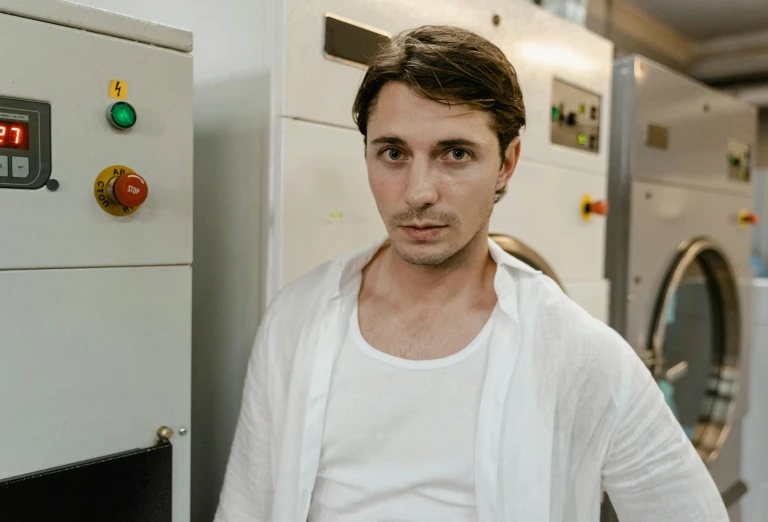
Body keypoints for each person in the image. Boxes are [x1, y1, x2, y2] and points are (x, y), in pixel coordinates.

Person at [214, 25, 728, 522]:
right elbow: (246, 505)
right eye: (393, 153)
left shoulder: (579, 354)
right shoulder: (296, 319)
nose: (418, 192)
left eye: (455, 154)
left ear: (507, 163)